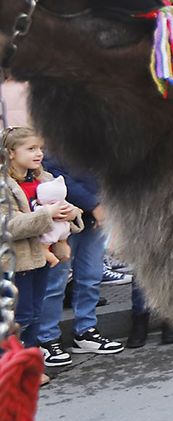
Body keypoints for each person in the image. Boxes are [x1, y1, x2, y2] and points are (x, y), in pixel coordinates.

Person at [32, 146, 121, 361]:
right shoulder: (56, 141)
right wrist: (94, 205)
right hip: (63, 221)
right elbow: (57, 175)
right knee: (56, 282)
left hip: (94, 220)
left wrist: (106, 206)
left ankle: (86, 331)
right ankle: (48, 337)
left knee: (90, 277)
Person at [3, 126, 78, 370]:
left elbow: (65, 211)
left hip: (42, 259)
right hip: (17, 261)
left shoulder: (44, 179)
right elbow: (8, 226)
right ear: (11, 153)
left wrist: (70, 213)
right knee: (21, 316)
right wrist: (47, 214)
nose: (39, 154)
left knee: (35, 313)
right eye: (31, 149)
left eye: (40, 149)